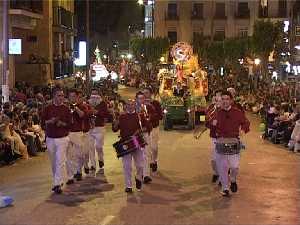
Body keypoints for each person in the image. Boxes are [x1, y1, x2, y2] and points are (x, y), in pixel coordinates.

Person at [212, 90, 250, 197]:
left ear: (231, 100)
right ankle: (225, 188)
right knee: (222, 167)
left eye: (227, 99)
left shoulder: (237, 112)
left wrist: (243, 129)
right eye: (223, 99)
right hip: (220, 142)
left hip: (234, 142)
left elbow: (246, 123)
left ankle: (233, 179)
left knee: (234, 166)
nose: (225, 101)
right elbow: (208, 123)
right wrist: (212, 124)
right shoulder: (217, 112)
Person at [41, 87, 71, 194]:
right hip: (50, 138)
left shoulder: (66, 109)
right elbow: (43, 123)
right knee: (54, 162)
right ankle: (57, 181)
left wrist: (62, 124)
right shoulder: (47, 108)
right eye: (59, 95)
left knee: (60, 161)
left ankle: (57, 183)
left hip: (62, 138)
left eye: (62, 95)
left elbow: (70, 124)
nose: (61, 98)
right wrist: (51, 121)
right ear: (54, 96)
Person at [112, 99, 146, 193]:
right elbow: (115, 129)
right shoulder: (121, 116)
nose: (130, 106)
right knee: (127, 166)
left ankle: (138, 177)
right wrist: (115, 122)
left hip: (136, 141)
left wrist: (139, 131)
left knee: (140, 165)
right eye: (128, 104)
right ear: (125, 106)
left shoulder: (139, 116)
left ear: (134, 105)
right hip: (125, 143)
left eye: (132, 104)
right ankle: (128, 186)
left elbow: (146, 127)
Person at [66, 89, 87, 184]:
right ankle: (71, 176)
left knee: (81, 154)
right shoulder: (65, 107)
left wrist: (75, 108)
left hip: (78, 133)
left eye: (74, 96)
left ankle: (79, 170)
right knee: (69, 156)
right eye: (70, 97)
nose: (72, 98)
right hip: (67, 133)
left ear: (77, 97)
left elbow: (82, 115)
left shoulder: (82, 106)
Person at [88, 89, 109, 173]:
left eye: (96, 94)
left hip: (100, 128)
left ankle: (100, 159)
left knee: (98, 146)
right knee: (90, 147)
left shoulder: (103, 103)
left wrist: (98, 112)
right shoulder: (88, 103)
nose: (94, 96)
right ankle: (93, 164)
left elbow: (106, 114)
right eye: (92, 94)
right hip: (90, 128)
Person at [143, 87, 163, 172]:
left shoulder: (156, 103)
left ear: (150, 94)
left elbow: (160, 116)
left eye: (147, 93)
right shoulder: (141, 104)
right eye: (143, 93)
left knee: (154, 147)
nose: (145, 95)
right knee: (147, 148)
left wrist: (151, 117)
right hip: (145, 130)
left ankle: (154, 160)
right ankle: (148, 166)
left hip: (154, 128)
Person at [135, 91, 154, 184]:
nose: (141, 100)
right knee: (138, 155)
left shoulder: (148, 107)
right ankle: (139, 173)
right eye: (139, 98)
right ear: (136, 99)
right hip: (137, 135)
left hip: (146, 133)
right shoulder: (133, 109)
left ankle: (146, 175)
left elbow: (153, 118)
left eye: (142, 98)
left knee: (146, 154)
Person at [205, 90, 222, 183]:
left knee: (222, 157)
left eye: (220, 96)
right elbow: (205, 119)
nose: (218, 98)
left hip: (224, 137)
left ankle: (222, 177)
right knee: (214, 160)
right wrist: (211, 123)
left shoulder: (226, 109)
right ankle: (216, 173)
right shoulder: (211, 108)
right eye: (217, 96)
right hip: (214, 136)